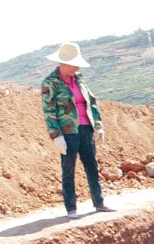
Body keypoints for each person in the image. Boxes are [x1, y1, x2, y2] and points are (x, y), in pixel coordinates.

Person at [41, 42, 114, 219]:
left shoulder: (79, 79)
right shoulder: (51, 83)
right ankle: (71, 208)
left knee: (92, 166)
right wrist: (56, 135)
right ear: (63, 63)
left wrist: (98, 126)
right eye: (74, 64)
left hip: (85, 128)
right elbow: (49, 111)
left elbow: (92, 102)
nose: (77, 67)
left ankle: (99, 202)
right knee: (68, 169)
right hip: (67, 132)